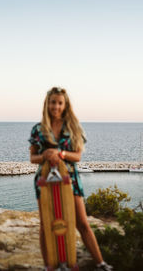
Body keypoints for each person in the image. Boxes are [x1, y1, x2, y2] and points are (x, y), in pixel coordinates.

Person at [29, 87, 113, 271]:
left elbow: (78, 157)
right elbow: (32, 158)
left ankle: (101, 263)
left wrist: (61, 153)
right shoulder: (38, 129)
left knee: (82, 222)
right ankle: (49, 266)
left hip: (70, 179)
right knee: (45, 225)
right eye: (53, 102)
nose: (56, 106)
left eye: (60, 103)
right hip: (44, 181)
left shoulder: (73, 127)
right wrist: (46, 155)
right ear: (47, 104)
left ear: (65, 105)